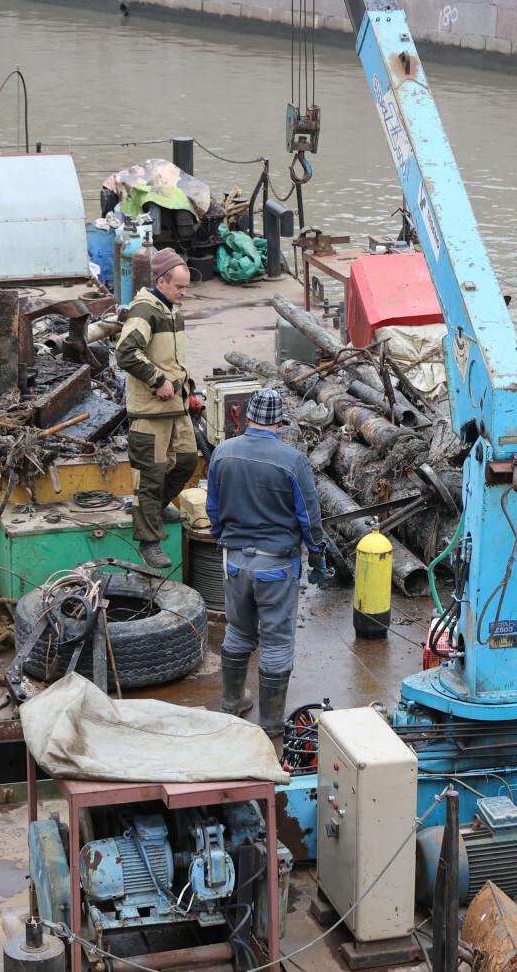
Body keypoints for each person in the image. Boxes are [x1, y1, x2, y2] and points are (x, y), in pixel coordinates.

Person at [205, 387, 325, 738]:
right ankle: (271, 724)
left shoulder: (222, 453)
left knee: (238, 630)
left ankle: (232, 702)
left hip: (234, 563)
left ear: (246, 417)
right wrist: (317, 556)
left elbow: (213, 508)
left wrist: (223, 537)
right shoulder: (292, 460)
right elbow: (309, 516)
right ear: (280, 422)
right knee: (275, 641)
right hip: (275, 566)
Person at [116, 248, 201, 568]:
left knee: (187, 461)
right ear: (161, 281)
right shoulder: (144, 311)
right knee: (149, 475)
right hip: (150, 412)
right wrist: (156, 381)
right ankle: (148, 541)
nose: (184, 293)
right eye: (179, 287)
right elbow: (125, 353)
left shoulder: (171, 309)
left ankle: (152, 508)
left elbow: (173, 360)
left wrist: (187, 392)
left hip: (175, 408)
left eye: (186, 287)